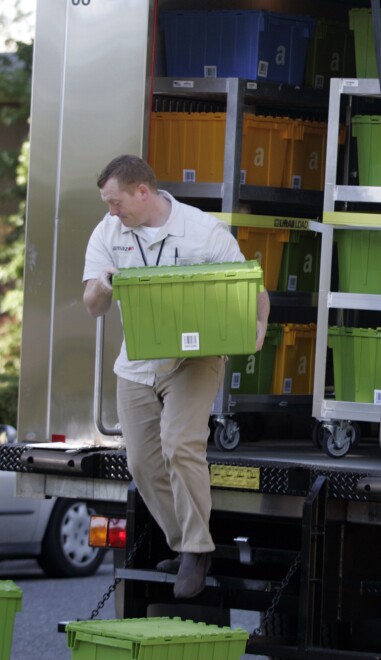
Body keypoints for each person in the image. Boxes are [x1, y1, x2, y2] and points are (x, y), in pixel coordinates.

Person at [82, 155, 270, 598]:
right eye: (107, 204)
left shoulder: (203, 231)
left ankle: (196, 551)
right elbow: (92, 304)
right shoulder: (108, 233)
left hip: (196, 358)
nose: (111, 211)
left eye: (115, 202)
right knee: (142, 462)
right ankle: (183, 540)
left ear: (141, 192)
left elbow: (253, 290)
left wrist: (257, 329)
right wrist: (104, 286)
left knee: (180, 441)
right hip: (138, 363)